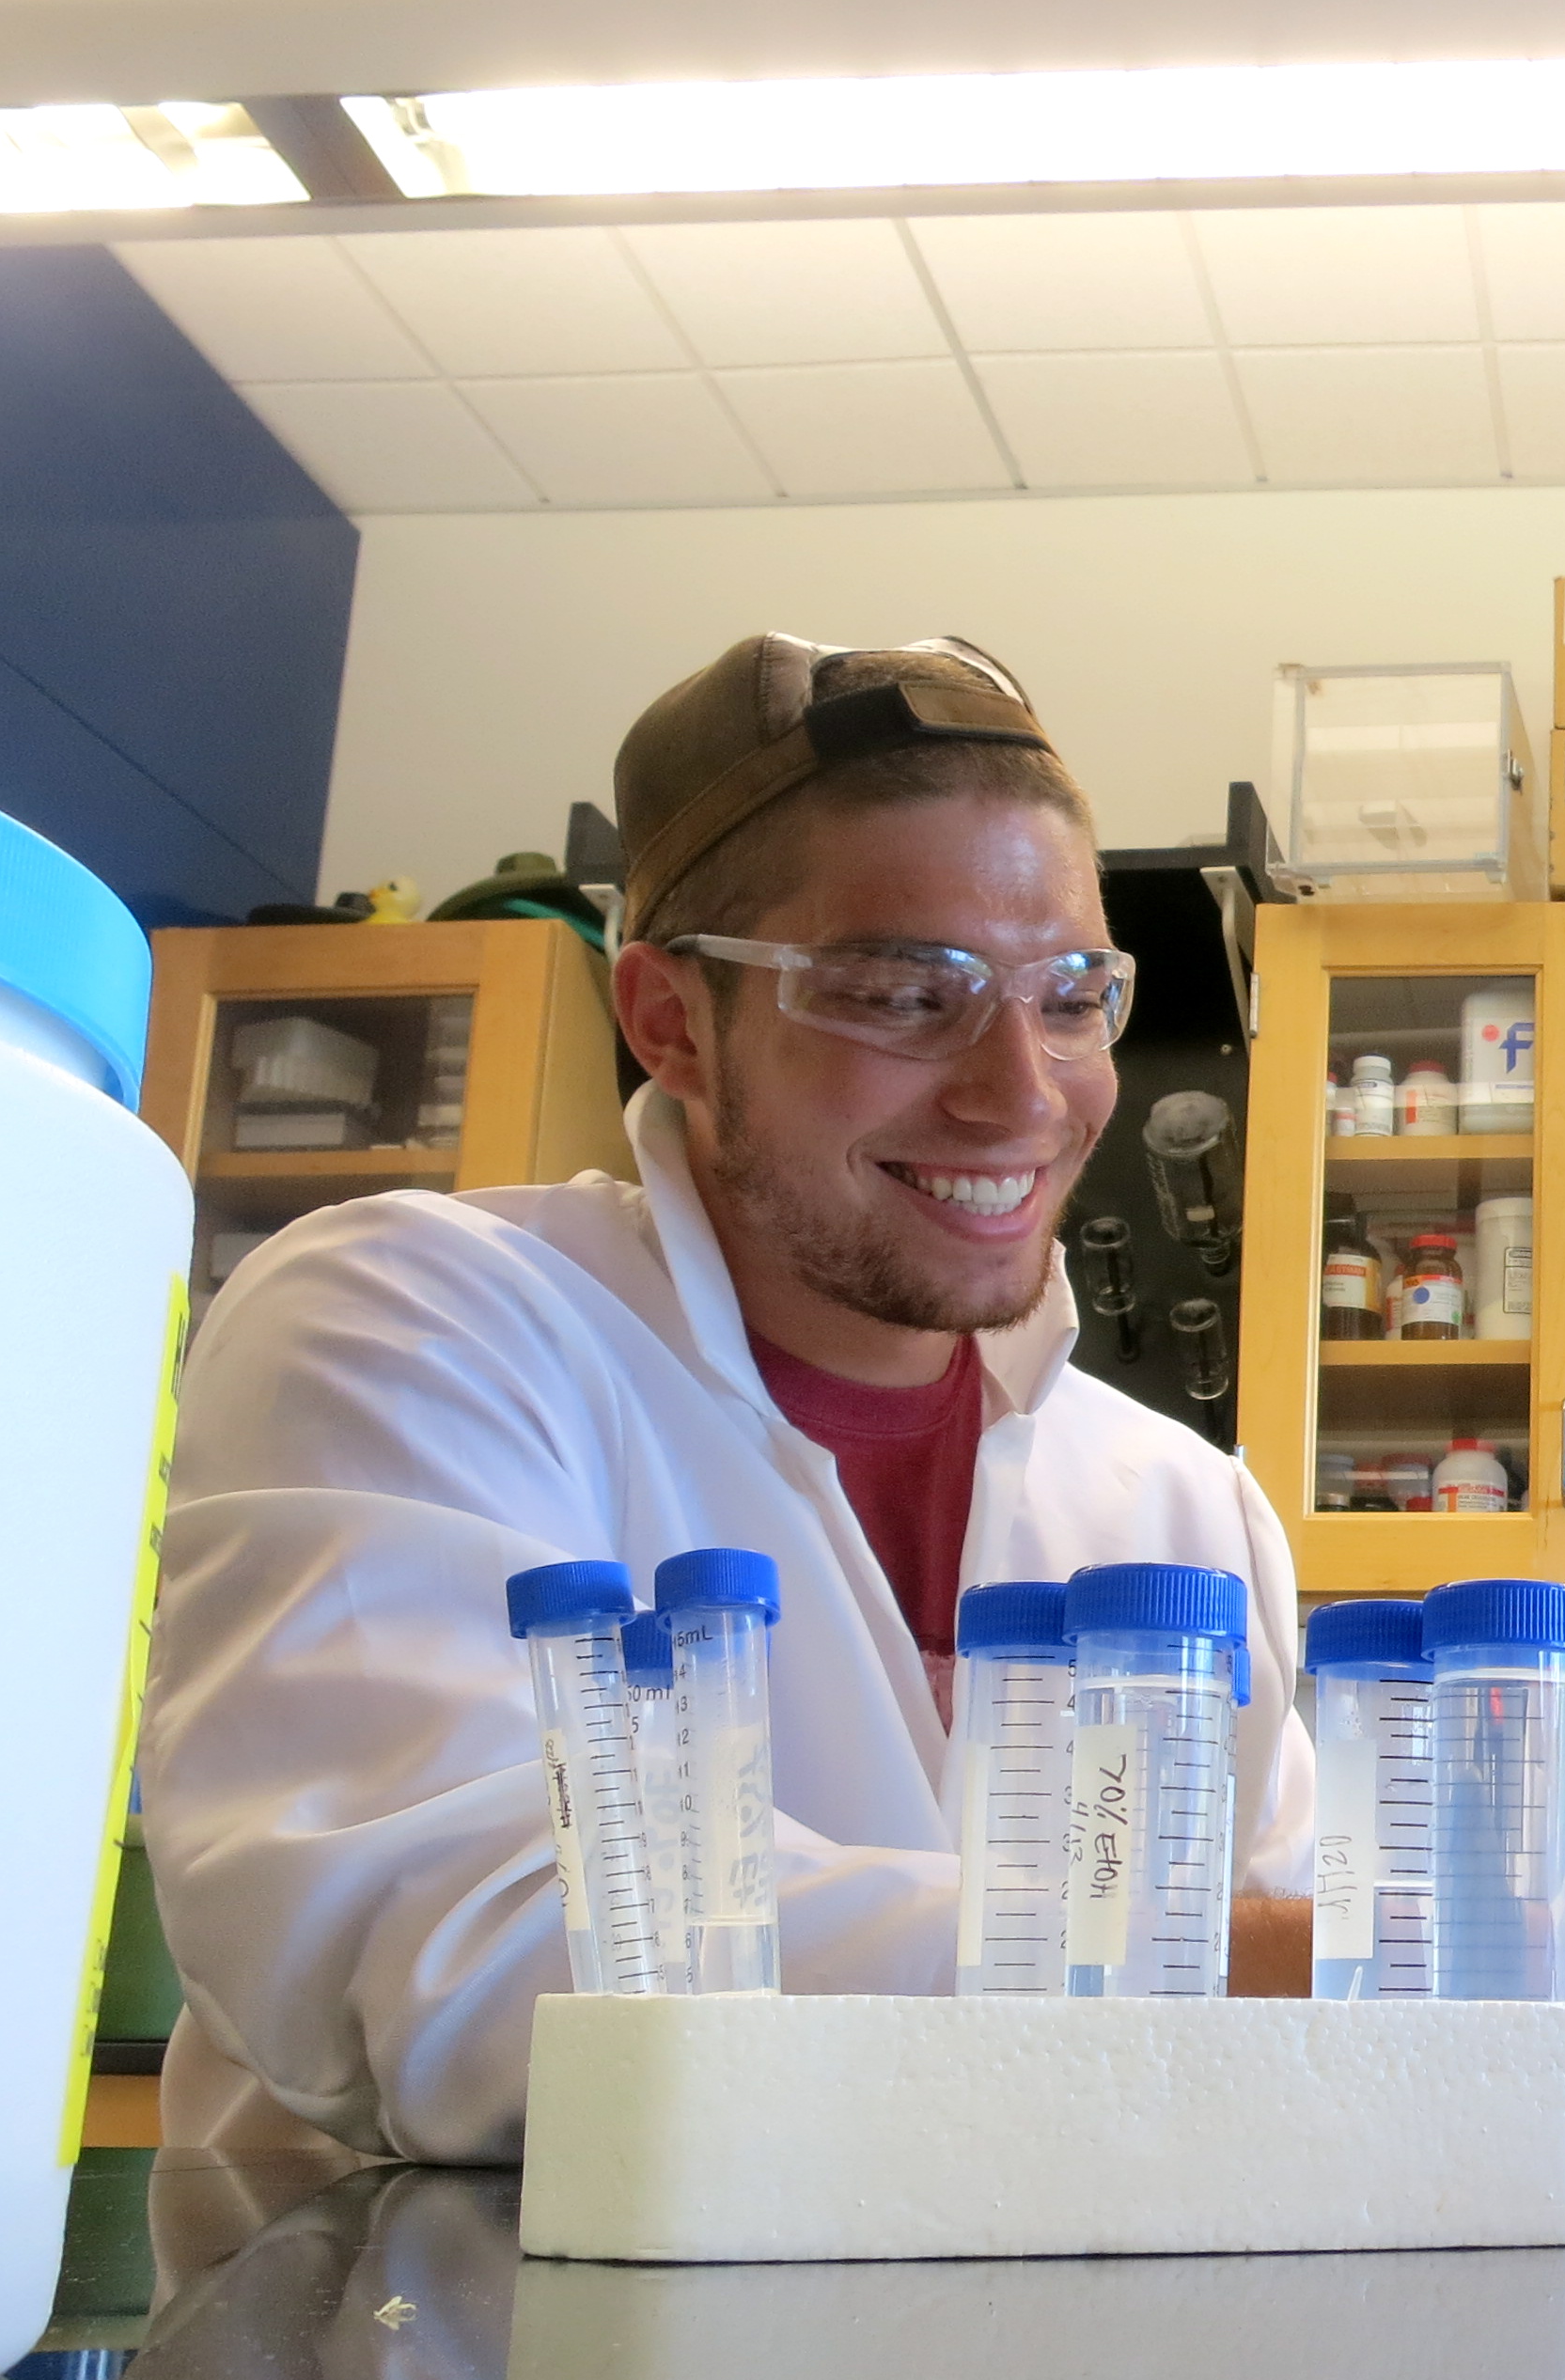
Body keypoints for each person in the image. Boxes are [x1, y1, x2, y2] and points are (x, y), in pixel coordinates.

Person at [138, 635, 1317, 2164]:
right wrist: (1259, 1963)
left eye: (1073, 995)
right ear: (672, 1020)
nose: (1023, 1090)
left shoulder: (1179, 1503)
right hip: (467, 2367)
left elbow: (1294, 2044)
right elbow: (444, 1966)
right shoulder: (414, 1324)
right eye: (908, 994)